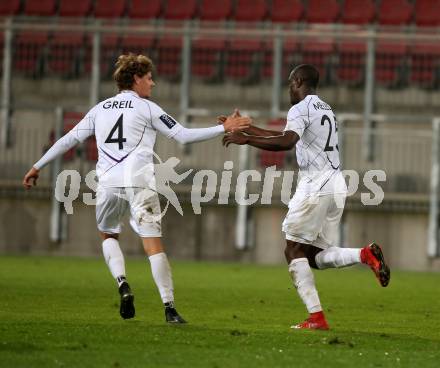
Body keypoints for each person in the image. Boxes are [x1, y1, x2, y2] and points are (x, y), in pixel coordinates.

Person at [23, 53, 250, 323]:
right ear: (136, 79)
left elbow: (68, 139)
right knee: (153, 244)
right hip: (140, 180)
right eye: (149, 78)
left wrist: (37, 165)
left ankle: (122, 283)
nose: (152, 84)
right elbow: (183, 136)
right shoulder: (147, 108)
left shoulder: (100, 109)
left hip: (107, 182)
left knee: (108, 235)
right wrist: (223, 128)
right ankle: (170, 309)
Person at [223, 64, 390, 330]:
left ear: (298, 81)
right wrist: (248, 130)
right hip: (336, 185)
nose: (289, 89)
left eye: (290, 83)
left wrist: (248, 140)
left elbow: (286, 142)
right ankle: (365, 254)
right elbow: (286, 136)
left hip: (315, 185)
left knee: (293, 249)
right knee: (314, 256)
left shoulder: (300, 109)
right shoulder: (326, 109)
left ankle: (316, 318)